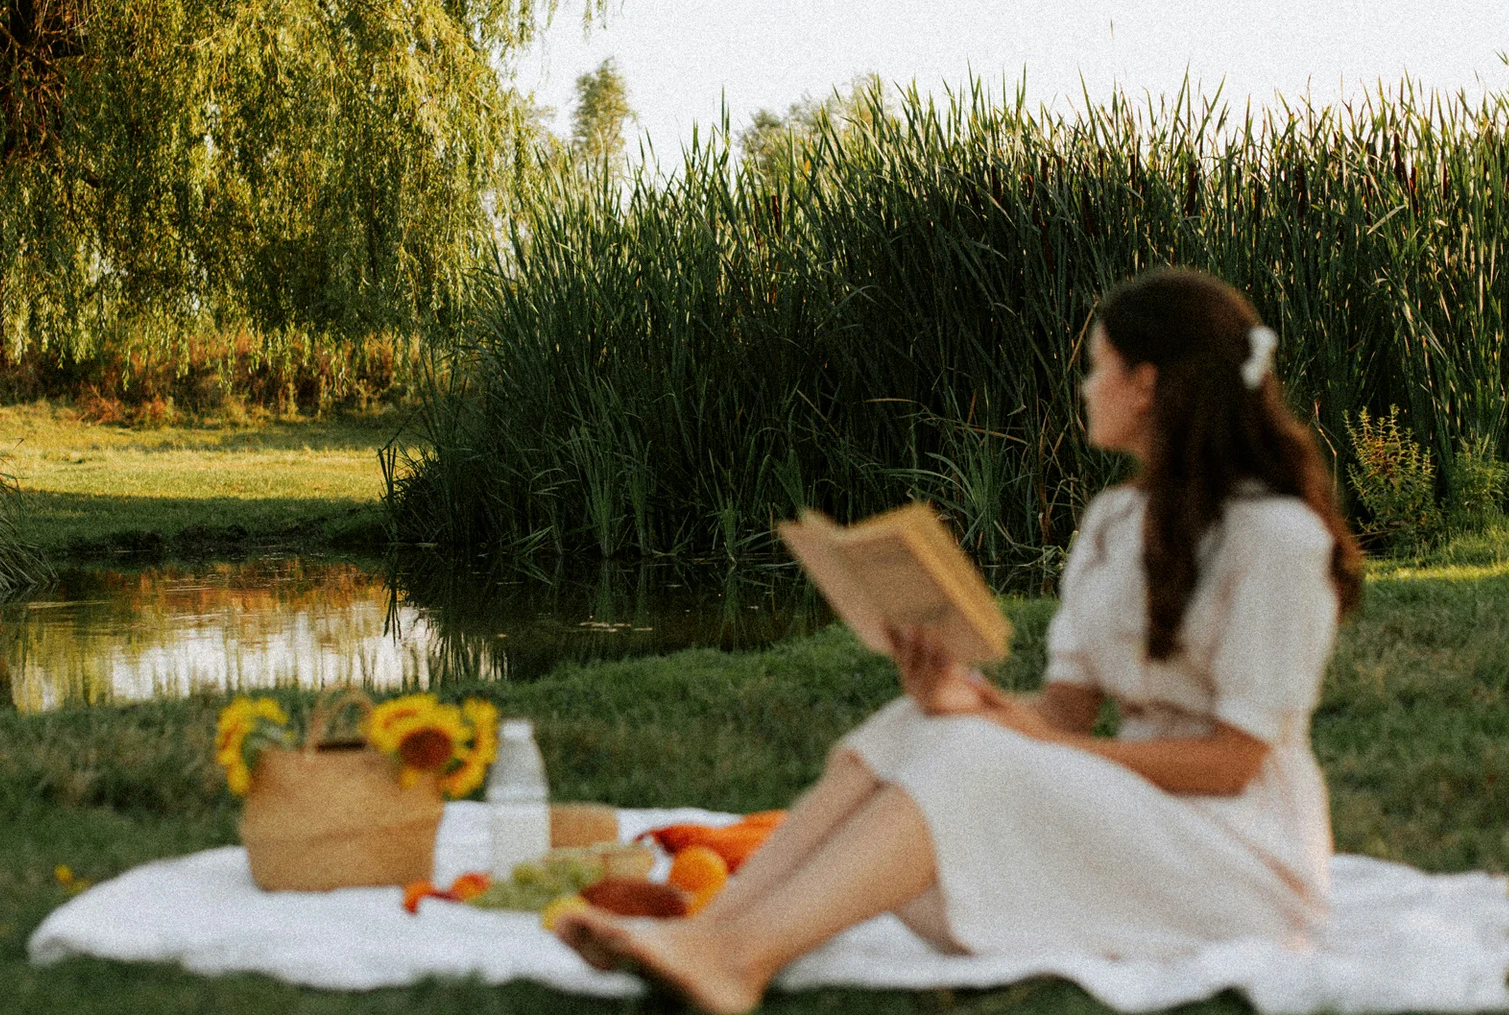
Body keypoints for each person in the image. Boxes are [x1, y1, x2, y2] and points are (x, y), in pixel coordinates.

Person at [552, 268, 1365, 1014]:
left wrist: (1009, 738)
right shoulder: (1114, 524)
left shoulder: (1278, 539)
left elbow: (1233, 764)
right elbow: (1063, 718)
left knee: (971, 755)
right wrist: (961, 699)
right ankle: (709, 933)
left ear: (1145, 383)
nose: (1086, 386)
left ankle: (738, 960)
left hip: (1238, 857)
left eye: (1098, 364)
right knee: (916, 728)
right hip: (1137, 818)